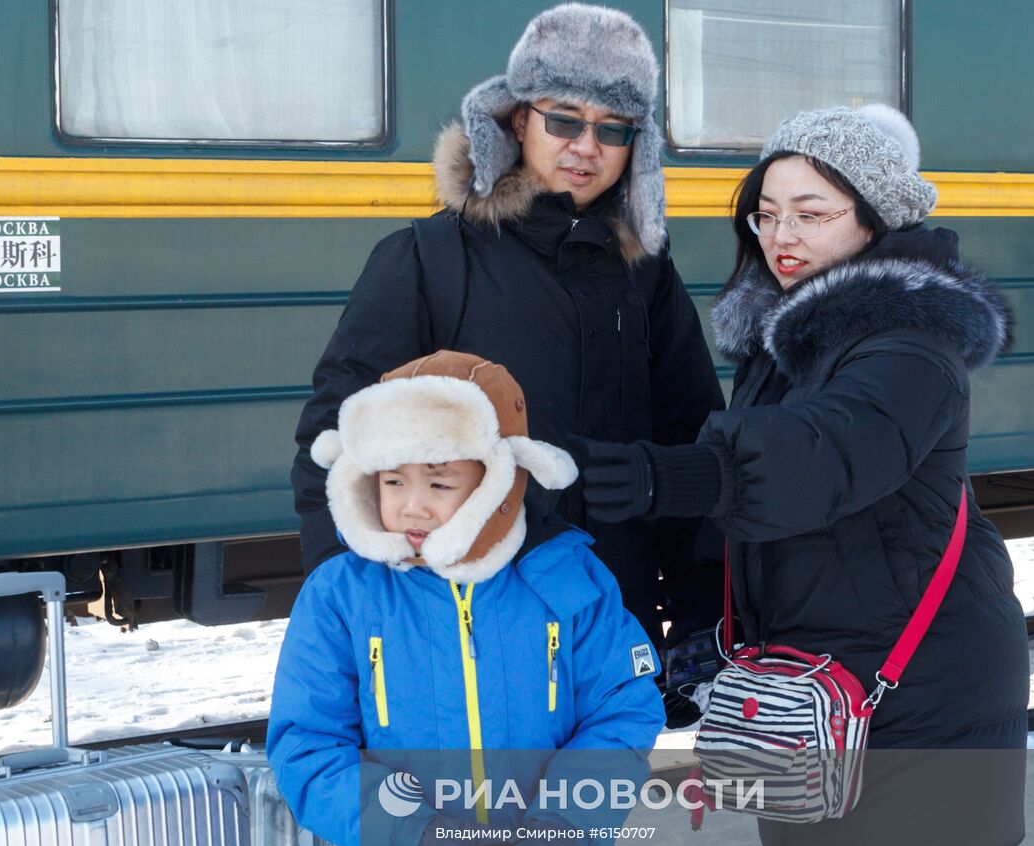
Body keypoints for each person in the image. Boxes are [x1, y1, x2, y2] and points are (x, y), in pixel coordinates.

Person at [577, 104, 1030, 846]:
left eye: (812, 212)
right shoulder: (792, 338)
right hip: (840, 691)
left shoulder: (913, 337)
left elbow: (826, 452)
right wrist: (717, 631)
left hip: (923, 701)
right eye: (767, 211)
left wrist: (673, 474)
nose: (782, 234)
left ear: (875, 217)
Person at [291, 3, 725, 670]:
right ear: (517, 119)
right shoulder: (428, 259)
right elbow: (334, 442)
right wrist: (348, 605)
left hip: (610, 629)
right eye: (564, 120)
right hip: (461, 637)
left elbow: (689, 435)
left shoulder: (646, 275)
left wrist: (699, 611)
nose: (587, 147)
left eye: (614, 128)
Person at [268, 351, 665, 846]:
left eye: (439, 482)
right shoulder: (340, 596)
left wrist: (563, 828)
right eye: (392, 482)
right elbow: (309, 750)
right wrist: (419, 838)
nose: (413, 507)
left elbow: (624, 714)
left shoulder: (569, 580)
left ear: (498, 479)